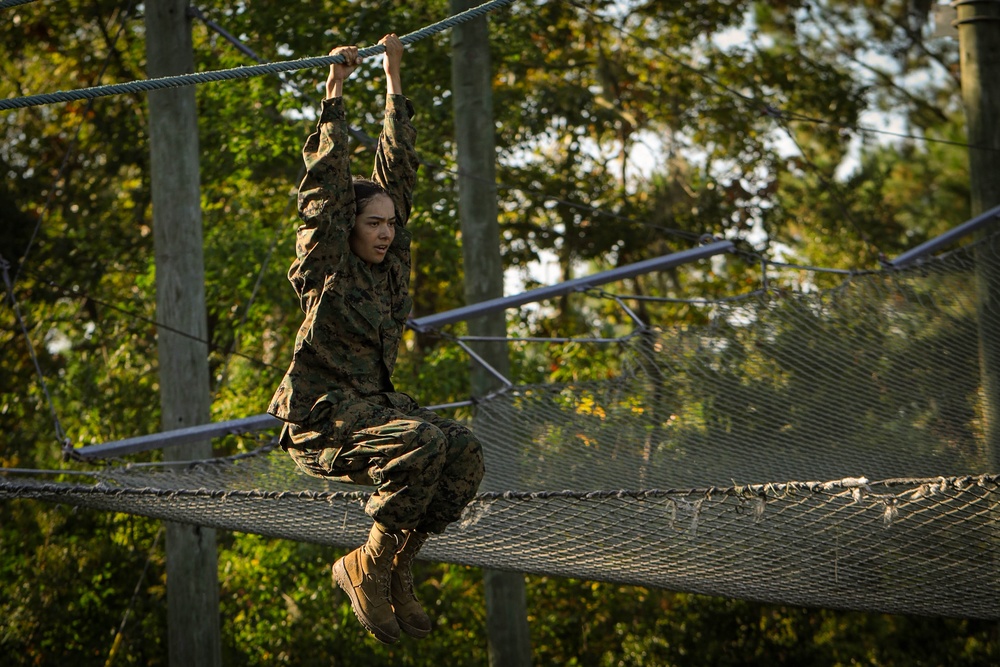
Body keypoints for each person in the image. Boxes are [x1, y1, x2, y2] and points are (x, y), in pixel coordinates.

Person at [267, 34, 485, 645]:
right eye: (374, 223)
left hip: (372, 411)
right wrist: (333, 94)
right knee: (419, 443)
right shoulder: (329, 263)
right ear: (349, 226)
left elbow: (400, 178)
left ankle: (389, 568)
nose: (386, 232)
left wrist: (394, 81)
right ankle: (364, 566)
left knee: (461, 451)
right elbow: (325, 193)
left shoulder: (392, 265)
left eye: (391, 224)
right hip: (324, 421)